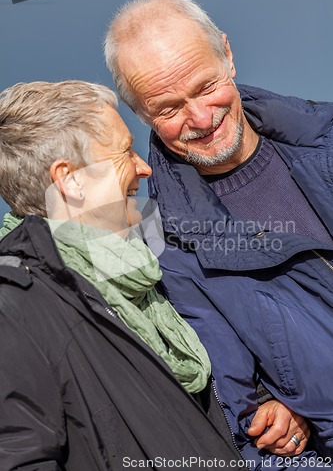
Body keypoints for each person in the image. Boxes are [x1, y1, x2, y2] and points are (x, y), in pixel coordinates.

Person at [104, 0, 333, 470]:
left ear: (227, 54)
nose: (201, 119)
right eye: (168, 109)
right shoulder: (162, 249)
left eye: (206, 87)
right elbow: (231, 399)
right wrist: (276, 407)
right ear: (141, 114)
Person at [0, 80, 249, 470]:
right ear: (70, 180)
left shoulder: (144, 275)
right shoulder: (14, 308)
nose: (144, 167)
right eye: (124, 152)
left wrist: (259, 403)